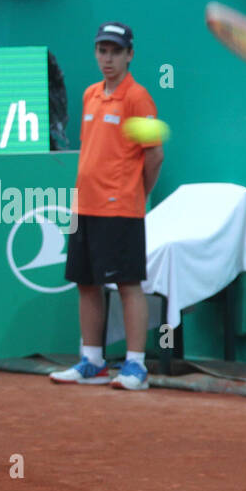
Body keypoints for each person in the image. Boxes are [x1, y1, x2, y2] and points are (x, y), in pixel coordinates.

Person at [50, 22, 164, 391]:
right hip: (86, 205)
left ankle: (135, 367)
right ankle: (93, 361)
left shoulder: (138, 98)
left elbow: (155, 155)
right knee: (86, 283)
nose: (108, 58)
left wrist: (136, 193)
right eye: (102, 50)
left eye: (115, 51)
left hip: (121, 208)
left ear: (130, 55)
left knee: (128, 284)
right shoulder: (89, 95)